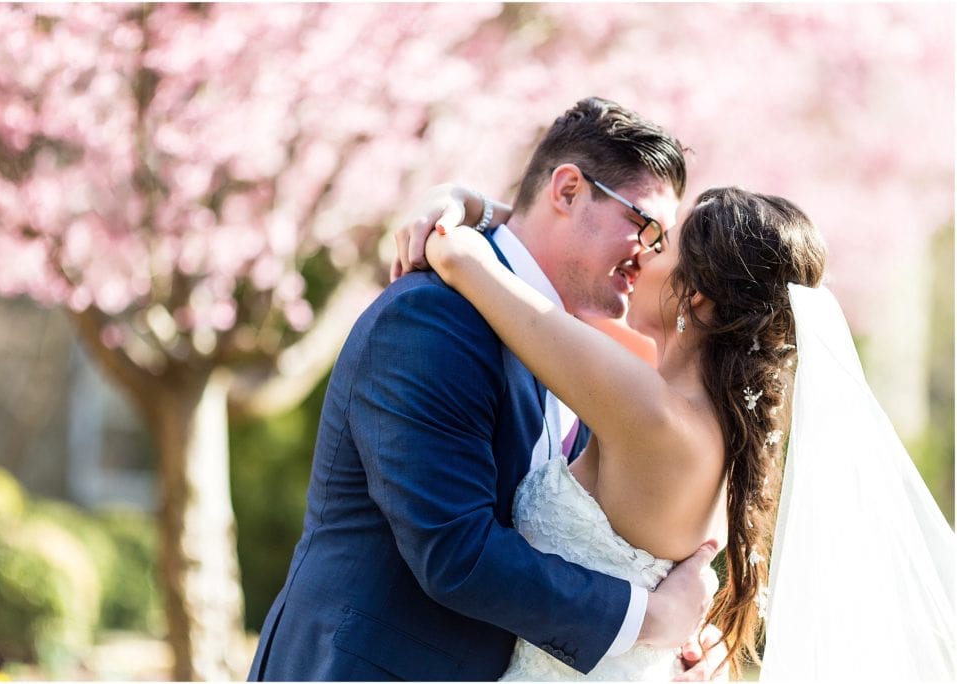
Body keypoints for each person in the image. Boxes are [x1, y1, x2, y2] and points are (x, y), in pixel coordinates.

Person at [247, 98, 725, 681]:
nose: (648, 257)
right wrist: (649, 619)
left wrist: (665, 651)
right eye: (643, 225)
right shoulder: (433, 316)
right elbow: (455, 552)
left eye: (661, 241)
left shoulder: (568, 354)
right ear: (568, 190)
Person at [396, 181, 955, 679]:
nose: (642, 251)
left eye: (663, 246)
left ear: (697, 296)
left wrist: (461, 200)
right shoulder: (727, 439)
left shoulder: (649, 410)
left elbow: (457, 253)